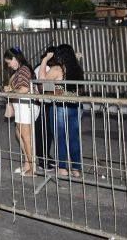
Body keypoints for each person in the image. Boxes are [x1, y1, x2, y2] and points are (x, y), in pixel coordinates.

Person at [40, 44, 84, 178]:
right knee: (73, 138)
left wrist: (44, 61)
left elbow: (41, 81)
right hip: (75, 105)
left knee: (60, 137)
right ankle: (76, 169)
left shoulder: (57, 69)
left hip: (60, 106)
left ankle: (62, 168)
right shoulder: (76, 68)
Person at [3, 47, 39, 177]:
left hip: (25, 106)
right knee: (19, 134)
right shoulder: (21, 70)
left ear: (14, 59)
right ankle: (27, 164)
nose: (8, 65)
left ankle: (32, 168)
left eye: (8, 62)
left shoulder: (23, 69)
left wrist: (11, 92)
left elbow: (24, 89)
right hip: (22, 106)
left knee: (26, 138)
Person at [33, 46, 57, 171]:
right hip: (43, 104)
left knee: (46, 133)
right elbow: (46, 89)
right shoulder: (46, 68)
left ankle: (46, 156)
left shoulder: (43, 67)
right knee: (43, 133)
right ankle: (42, 160)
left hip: (45, 104)